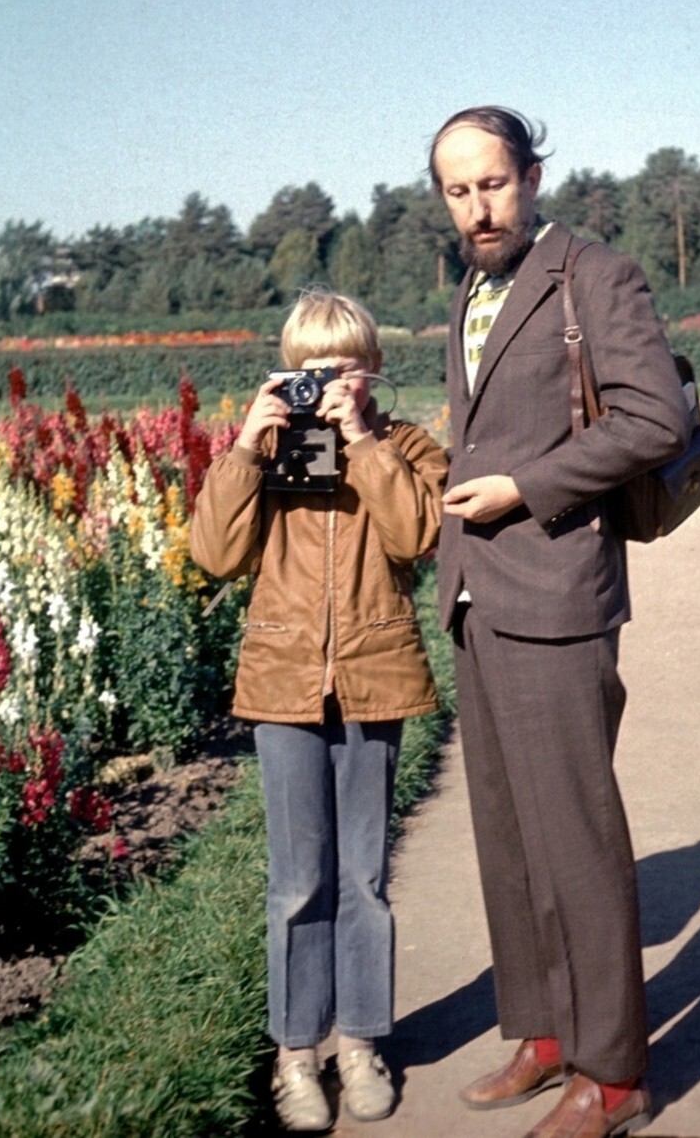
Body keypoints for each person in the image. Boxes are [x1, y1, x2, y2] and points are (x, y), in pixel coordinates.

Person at [429, 106, 691, 1138]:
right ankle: (543, 1031)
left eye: (492, 182)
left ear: (531, 176)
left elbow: (655, 418)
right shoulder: (471, 289)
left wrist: (523, 490)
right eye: (456, 189)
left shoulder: (596, 273)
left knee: (575, 836)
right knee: (510, 835)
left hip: (556, 592)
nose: (477, 206)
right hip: (479, 594)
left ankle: (615, 1073)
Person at [189, 289, 447, 1133]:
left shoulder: (404, 445)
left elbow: (416, 535)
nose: (325, 385)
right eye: (307, 371)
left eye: (342, 368)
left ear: (371, 369)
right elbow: (215, 554)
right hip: (282, 681)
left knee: (364, 880)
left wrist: (366, 443)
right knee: (299, 881)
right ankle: (296, 1054)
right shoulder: (266, 453)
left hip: (374, 673)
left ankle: (362, 1042)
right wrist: (241, 448)